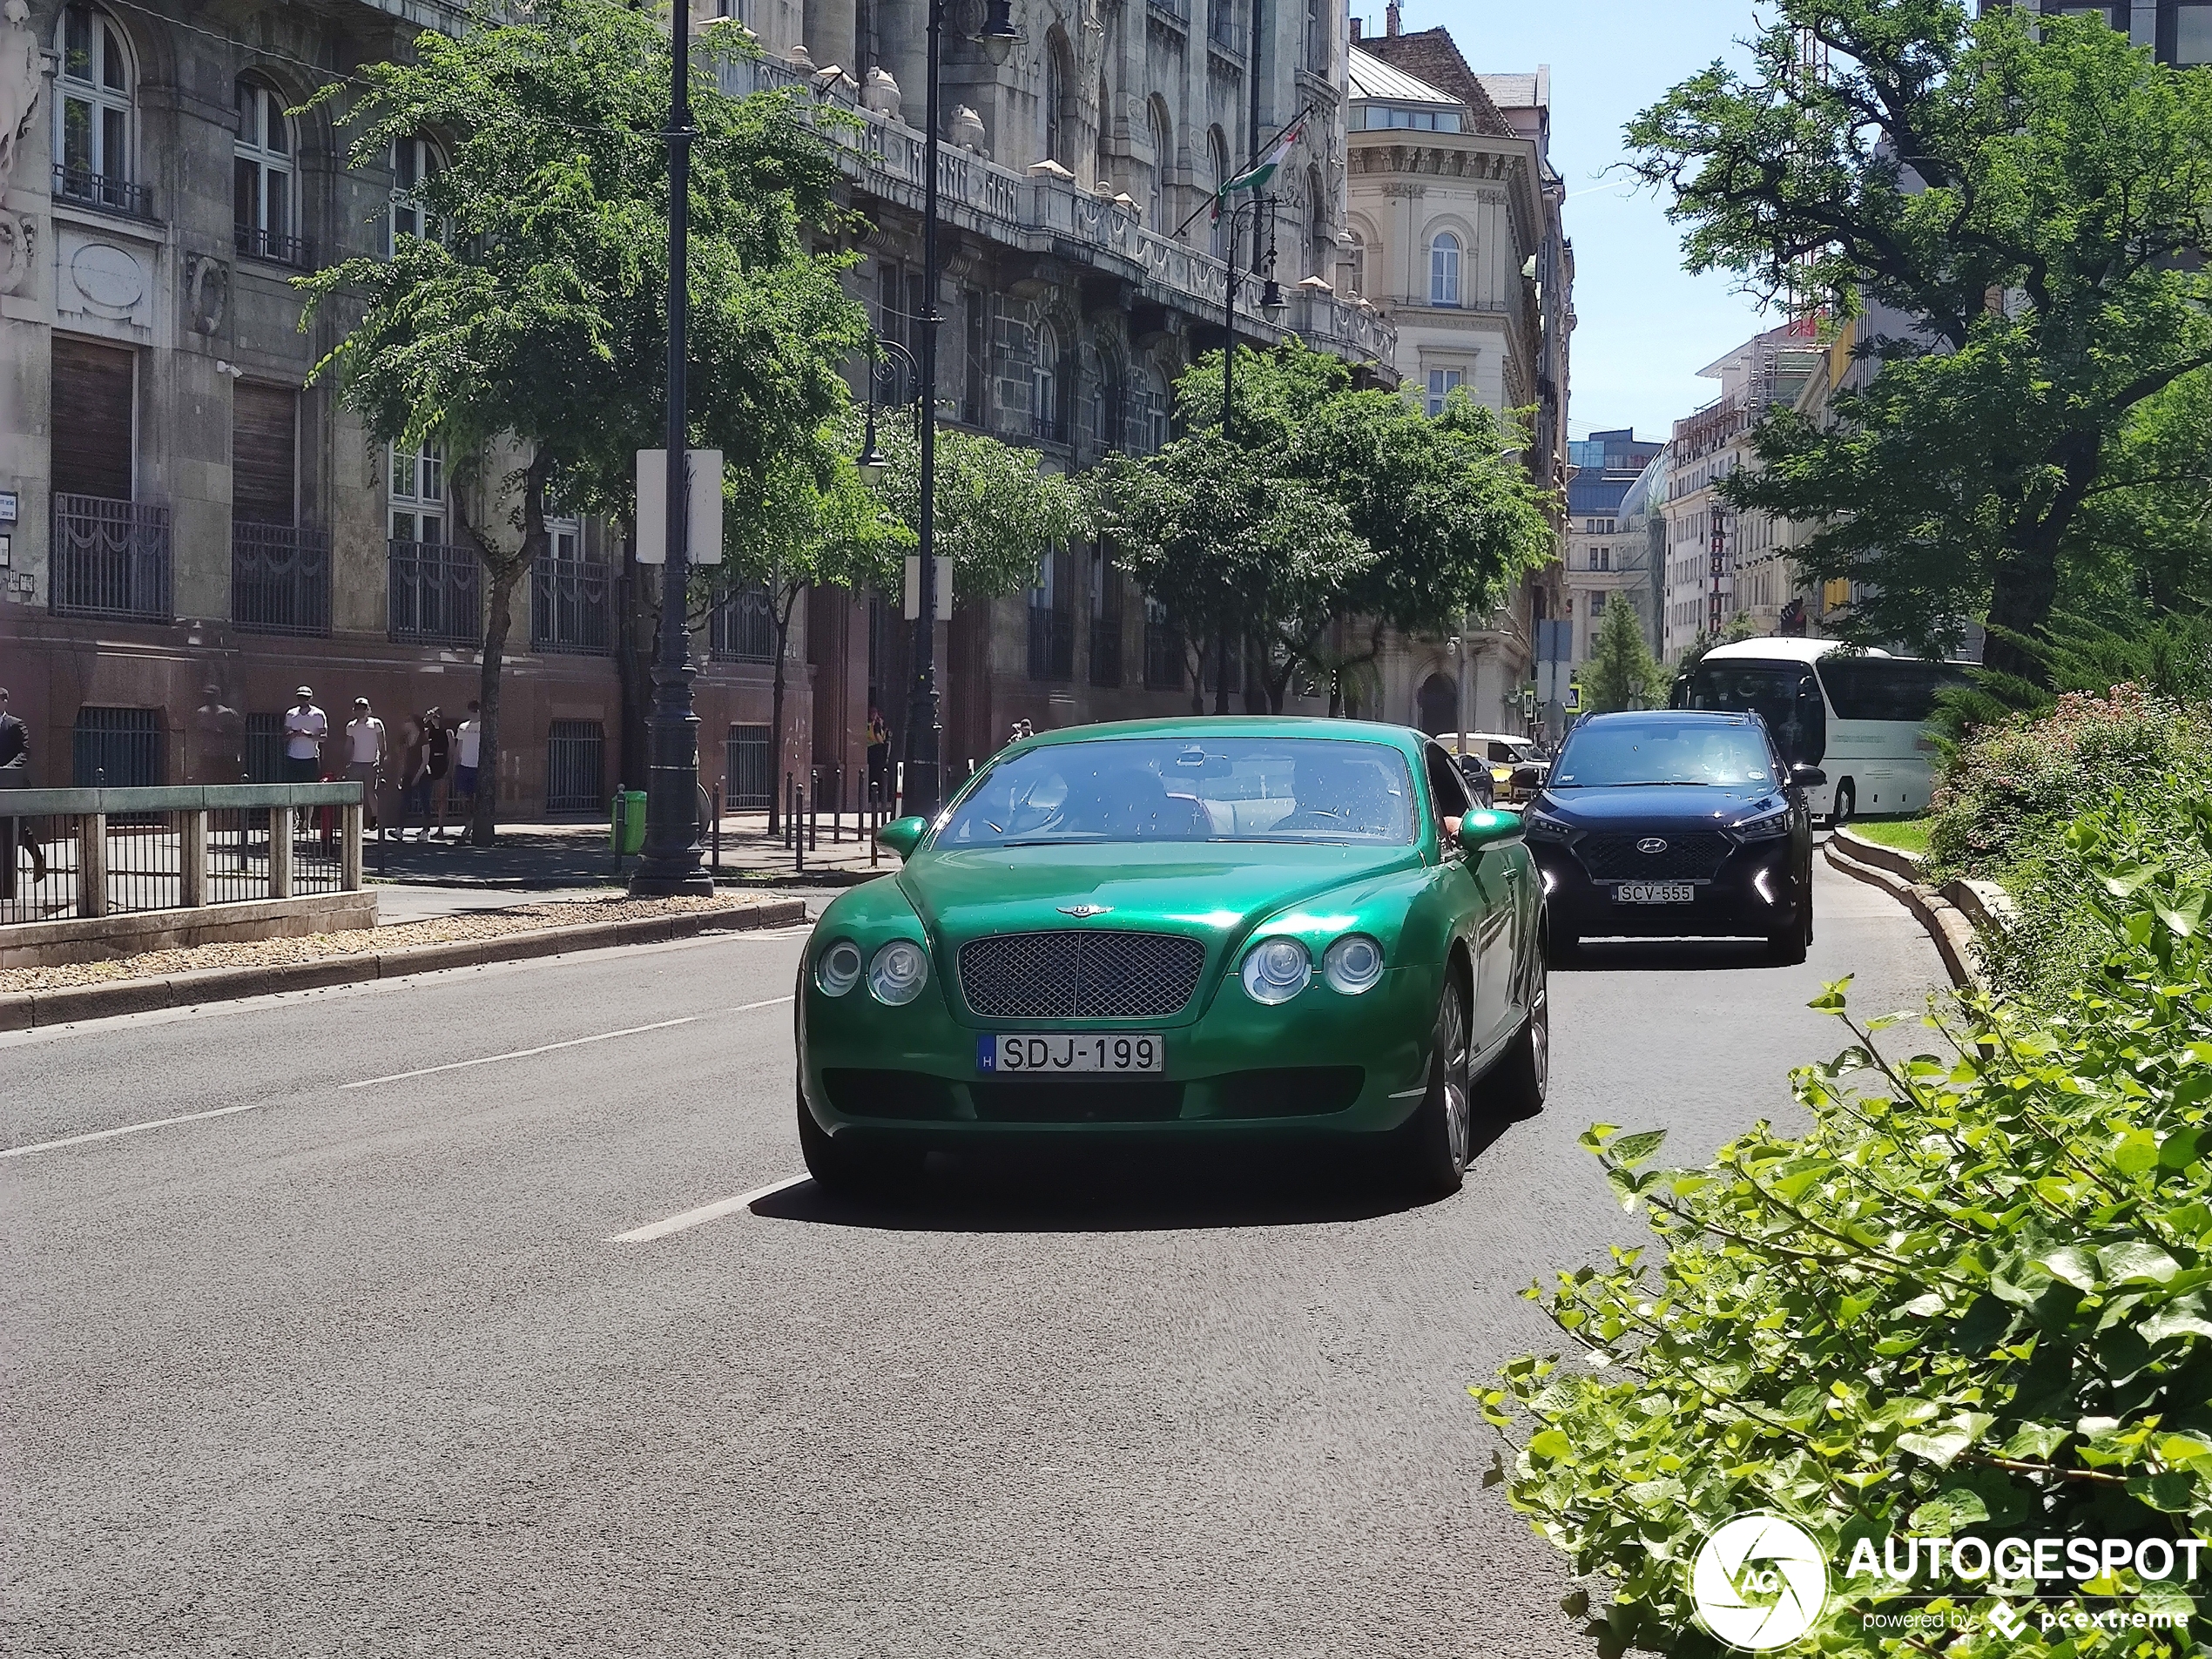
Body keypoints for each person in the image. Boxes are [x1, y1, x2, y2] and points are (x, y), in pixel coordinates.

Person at [0, 686, 44, 887]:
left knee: (19, 828)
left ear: (4, 702)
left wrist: (6, 769)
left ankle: (37, 859)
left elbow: (25, 752)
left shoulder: (16, 725)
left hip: (13, 783)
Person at [342, 697, 386, 829]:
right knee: (354, 793)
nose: (361, 711)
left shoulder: (376, 724)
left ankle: (375, 817)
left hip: (371, 763)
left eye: (363, 708)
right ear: (354, 710)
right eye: (358, 708)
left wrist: (380, 761)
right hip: (355, 763)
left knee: (370, 792)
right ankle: (355, 820)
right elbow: (349, 745)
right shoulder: (351, 726)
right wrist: (345, 763)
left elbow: (382, 744)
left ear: (368, 710)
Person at [421, 706, 454, 838]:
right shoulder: (428, 732)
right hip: (430, 766)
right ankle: (426, 826)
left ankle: (440, 827)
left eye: (437, 717)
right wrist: (426, 720)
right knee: (427, 798)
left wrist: (450, 769)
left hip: (442, 765)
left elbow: (452, 751)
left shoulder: (447, 732)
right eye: (433, 717)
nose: (435, 720)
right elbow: (420, 738)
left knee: (441, 798)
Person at [282, 686, 327, 784]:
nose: (303, 700)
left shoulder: (318, 714)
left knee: (310, 787)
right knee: (291, 787)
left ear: (310, 698)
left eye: (306, 698)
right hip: (292, 758)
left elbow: (323, 738)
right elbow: (284, 737)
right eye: (300, 697)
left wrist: (308, 735)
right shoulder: (291, 714)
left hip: (311, 758)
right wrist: (294, 734)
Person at [451, 700, 482, 831]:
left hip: (478, 768)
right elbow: (459, 746)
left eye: (474, 711)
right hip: (464, 766)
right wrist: (456, 763)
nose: (472, 714)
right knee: (464, 797)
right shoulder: (462, 727)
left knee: (477, 798)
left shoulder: (485, 726)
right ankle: (468, 824)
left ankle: (476, 825)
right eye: (470, 711)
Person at [864, 705, 890, 805]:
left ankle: (873, 796)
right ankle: (878, 797)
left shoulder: (869, 724)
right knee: (878, 775)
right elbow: (880, 738)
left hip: (869, 750)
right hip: (877, 751)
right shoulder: (876, 725)